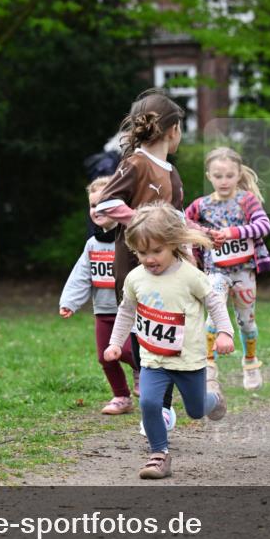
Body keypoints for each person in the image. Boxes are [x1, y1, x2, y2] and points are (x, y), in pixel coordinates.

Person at [104, 204, 234, 479]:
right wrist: (115, 343)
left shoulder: (190, 276)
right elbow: (126, 311)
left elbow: (214, 302)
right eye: (142, 253)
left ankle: (214, 399)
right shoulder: (135, 278)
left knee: (196, 410)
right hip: (153, 359)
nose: (149, 258)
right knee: (149, 403)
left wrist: (225, 332)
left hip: (188, 360)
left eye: (156, 251)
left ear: (173, 243)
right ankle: (158, 455)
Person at [94, 88, 187, 432]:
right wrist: (141, 222)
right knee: (141, 335)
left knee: (166, 334)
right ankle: (154, 404)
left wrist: (199, 235)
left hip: (170, 269)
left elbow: (178, 220)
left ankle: (161, 406)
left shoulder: (172, 174)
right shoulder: (134, 164)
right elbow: (106, 203)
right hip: (133, 268)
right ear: (173, 130)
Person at [185, 146, 270, 390]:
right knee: (213, 316)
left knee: (246, 321)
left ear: (238, 174)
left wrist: (234, 232)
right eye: (218, 176)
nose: (224, 181)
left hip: (244, 271)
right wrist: (205, 233)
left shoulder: (247, 200)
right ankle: (209, 364)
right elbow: (183, 221)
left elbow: (264, 225)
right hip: (216, 271)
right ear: (208, 176)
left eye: (229, 175)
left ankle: (250, 361)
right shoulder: (201, 205)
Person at [59, 176, 139, 415]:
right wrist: (70, 302)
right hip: (103, 311)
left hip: (130, 311)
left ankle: (143, 371)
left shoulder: (131, 239)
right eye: (93, 205)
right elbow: (81, 275)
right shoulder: (92, 244)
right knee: (106, 357)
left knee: (127, 351)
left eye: (105, 204)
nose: (98, 209)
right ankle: (121, 397)